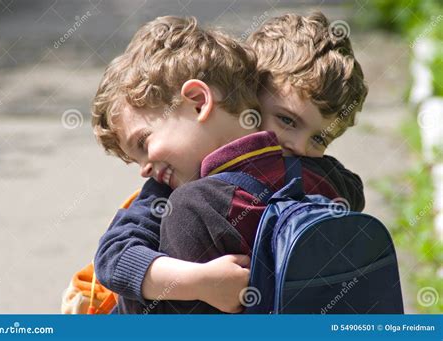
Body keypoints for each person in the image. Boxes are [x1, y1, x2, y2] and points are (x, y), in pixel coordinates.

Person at [91, 13, 367, 314]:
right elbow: (114, 256)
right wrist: (200, 282)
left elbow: (350, 192)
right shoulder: (168, 189)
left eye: (319, 140)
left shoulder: (316, 175)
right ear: (251, 94)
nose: (298, 146)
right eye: (287, 120)